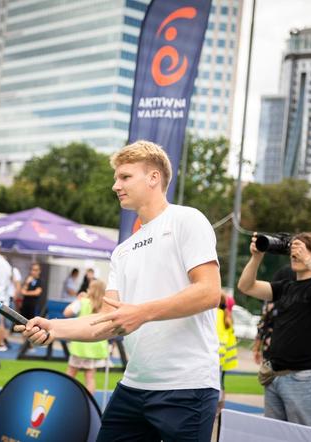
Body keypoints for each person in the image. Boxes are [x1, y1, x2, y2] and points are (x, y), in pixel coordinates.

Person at [17, 140, 222, 441]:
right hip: (133, 387)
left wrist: (142, 313)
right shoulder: (122, 251)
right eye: (116, 178)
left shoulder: (186, 219)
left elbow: (209, 292)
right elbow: (107, 321)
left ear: (154, 177)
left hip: (187, 387)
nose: (115, 185)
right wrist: (54, 327)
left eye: (125, 177)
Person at [237, 232, 311, 428]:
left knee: (304, 437)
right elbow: (246, 286)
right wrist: (257, 256)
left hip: (303, 378)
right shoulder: (285, 286)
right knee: (276, 436)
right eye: (293, 251)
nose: (294, 255)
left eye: (301, 250)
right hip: (274, 376)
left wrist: (309, 260)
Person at [63, 279, 109, 394]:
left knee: (70, 373)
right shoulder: (105, 306)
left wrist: (77, 299)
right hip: (96, 347)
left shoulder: (83, 302)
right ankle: (89, 401)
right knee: (90, 377)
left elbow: (67, 313)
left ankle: (63, 395)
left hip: (81, 345)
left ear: (91, 290)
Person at [216, 292, 238, 413]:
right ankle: (220, 409)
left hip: (215, 357)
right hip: (224, 359)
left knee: (215, 384)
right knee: (221, 384)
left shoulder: (215, 315)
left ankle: (216, 409)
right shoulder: (227, 318)